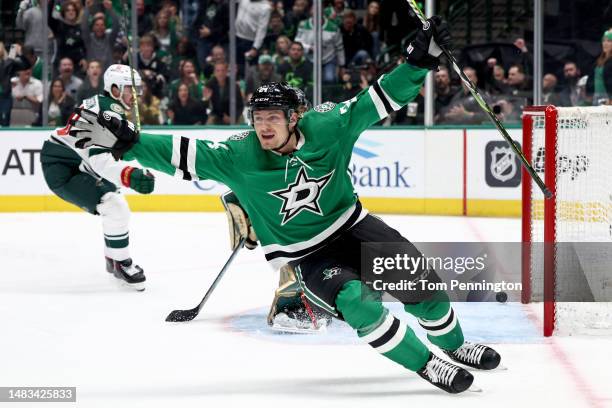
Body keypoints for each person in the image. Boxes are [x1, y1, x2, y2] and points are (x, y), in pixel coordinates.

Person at [68, 18, 501, 394]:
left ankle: (454, 345)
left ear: (295, 117)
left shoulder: (329, 126)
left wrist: (420, 60)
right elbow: (181, 152)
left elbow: (379, 98)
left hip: (355, 226)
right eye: (258, 118)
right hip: (307, 255)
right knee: (358, 303)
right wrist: (130, 144)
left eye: (273, 117)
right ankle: (427, 364)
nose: (263, 126)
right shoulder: (239, 155)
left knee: (420, 283)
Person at [40, 64, 154, 291]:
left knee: (115, 202)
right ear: (114, 89)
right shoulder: (108, 111)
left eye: (136, 89)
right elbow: (99, 160)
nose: (135, 94)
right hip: (63, 167)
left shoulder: (104, 104)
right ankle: (121, 263)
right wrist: (129, 175)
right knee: (116, 207)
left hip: (73, 160)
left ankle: (114, 258)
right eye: (130, 89)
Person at [81, 0, 120, 70]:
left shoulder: (110, 39)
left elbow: (116, 26)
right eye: (97, 25)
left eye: (102, 25)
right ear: (93, 28)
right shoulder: (89, 39)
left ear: (105, 27)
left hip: (108, 73)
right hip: (93, 72)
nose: (100, 27)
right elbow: (84, 27)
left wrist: (111, 9)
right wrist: (87, 9)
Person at [586, 29, 612, 105]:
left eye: (609, 41)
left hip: (608, 98)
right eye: (604, 41)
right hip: (596, 97)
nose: (605, 43)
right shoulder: (599, 60)